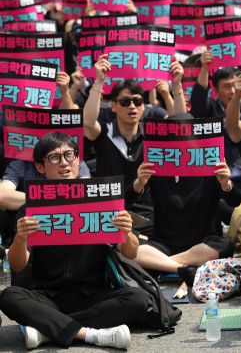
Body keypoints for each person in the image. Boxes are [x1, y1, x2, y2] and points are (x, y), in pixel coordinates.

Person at [0, 132, 147, 349]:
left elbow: (131, 253)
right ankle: (93, 334)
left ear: (78, 160)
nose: (64, 163)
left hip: (92, 295)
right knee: (10, 297)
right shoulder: (31, 208)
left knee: (138, 299)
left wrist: (127, 231)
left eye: (70, 155)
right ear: (40, 167)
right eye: (55, 158)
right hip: (47, 296)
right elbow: (17, 264)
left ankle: (48, 329)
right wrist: (20, 238)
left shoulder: (102, 201)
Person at [127, 111, 241, 285]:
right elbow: (127, 200)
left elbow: (235, 202)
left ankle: (160, 265)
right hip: (163, 243)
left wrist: (226, 184)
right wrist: (139, 182)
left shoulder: (209, 166)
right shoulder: (157, 168)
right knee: (129, 248)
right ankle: (182, 269)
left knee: (225, 246)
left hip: (202, 244)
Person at [83, 54, 185, 215]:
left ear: (143, 106)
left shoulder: (153, 134)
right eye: (124, 101)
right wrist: (99, 81)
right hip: (109, 213)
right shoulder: (104, 132)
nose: (132, 106)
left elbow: (179, 126)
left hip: (147, 214)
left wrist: (177, 85)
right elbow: (88, 124)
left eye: (137, 101)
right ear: (113, 106)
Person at [189, 51, 241, 184]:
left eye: (235, 85)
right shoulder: (210, 107)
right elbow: (198, 100)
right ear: (216, 92)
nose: (233, 91)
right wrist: (205, 68)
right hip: (219, 179)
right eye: (227, 87)